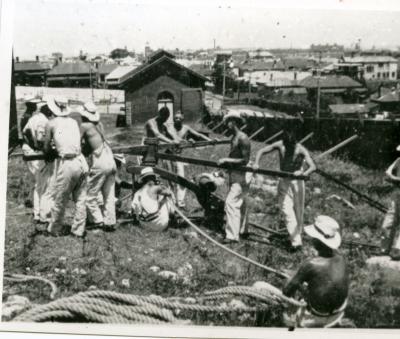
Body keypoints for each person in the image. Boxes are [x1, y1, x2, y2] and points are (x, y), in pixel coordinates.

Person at [253, 129, 316, 250]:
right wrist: (256, 163)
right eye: (287, 145)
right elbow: (262, 150)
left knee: (298, 210)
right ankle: (296, 242)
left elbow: (313, 166)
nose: (289, 148)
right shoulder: (280, 144)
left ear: (294, 143)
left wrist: (303, 172)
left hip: (297, 182)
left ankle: (297, 237)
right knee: (286, 209)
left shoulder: (300, 149)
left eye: (291, 145)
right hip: (283, 180)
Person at [283, 215, 349, 328]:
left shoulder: (311, 264)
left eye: (313, 237)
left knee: (265, 286)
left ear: (318, 241)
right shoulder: (341, 258)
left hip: (318, 315)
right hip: (338, 311)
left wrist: (292, 280)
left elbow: (287, 292)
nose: (311, 239)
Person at [43, 97, 89, 237]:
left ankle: (55, 228)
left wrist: (51, 152)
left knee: (60, 197)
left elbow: (45, 147)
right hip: (81, 161)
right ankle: (78, 229)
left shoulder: (51, 124)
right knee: (81, 198)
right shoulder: (74, 122)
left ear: (53, 109)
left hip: (67, 162)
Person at [80, 102, 117, 232]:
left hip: (100, 160)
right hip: (110, 158)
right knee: (108, 194)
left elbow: (78, 144)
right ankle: (110, 222)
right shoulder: (99, 125)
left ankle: (98, 221)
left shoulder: (84, 126)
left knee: (90, 194)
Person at [165, 111, 213, 208]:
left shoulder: (186, 128)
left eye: (179, 118)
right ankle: (171, 202)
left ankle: (180, 203)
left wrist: (210, 140)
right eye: (176, 118)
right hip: (168, 155)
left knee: (181, 178)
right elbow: (173, 138)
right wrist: (186, 141)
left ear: (183, 120)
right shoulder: (169, 127)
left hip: (178, 156)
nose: (177, 120)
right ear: (173, 119)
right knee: (170, 179)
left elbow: (198, 135)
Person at [217, 111, 251, 244]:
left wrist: (226, 160)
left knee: (231, 203)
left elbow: (245, 160)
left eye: (228, 122)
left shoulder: (243, 138)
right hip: (233, 173)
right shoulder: (234, 137)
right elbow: (234, 157)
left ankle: (231, 236)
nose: (226, 125)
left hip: (241, 174)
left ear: (234, 122)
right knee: (238, 203)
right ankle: (241, 231)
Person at [22, 100, 52, 223]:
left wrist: (31, 144)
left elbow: (25, 132)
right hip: (37, 154)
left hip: (29, 150)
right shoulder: (43, 121)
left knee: (38, 184)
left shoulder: (35, 118)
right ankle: (42, 214)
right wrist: (43, 149)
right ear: (48, 111)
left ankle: (37, 213)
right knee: (44, 185)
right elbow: (40, 139)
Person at [131, 167, 175, 232]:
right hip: (159, 225)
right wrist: (162, 185)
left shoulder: (137, 193)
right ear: (152, 178)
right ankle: (173, 219)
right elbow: (169, 192)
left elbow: (134, 210)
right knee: (166, 198)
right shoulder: (155, 188)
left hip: (144, 225)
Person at [380, 145, 400, 260]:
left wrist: (395, 179)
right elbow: (388, 173)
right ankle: (384, 250)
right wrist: (394, 178)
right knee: (388, 222)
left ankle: (398, 251)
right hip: (397, 193)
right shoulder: (398, 161)